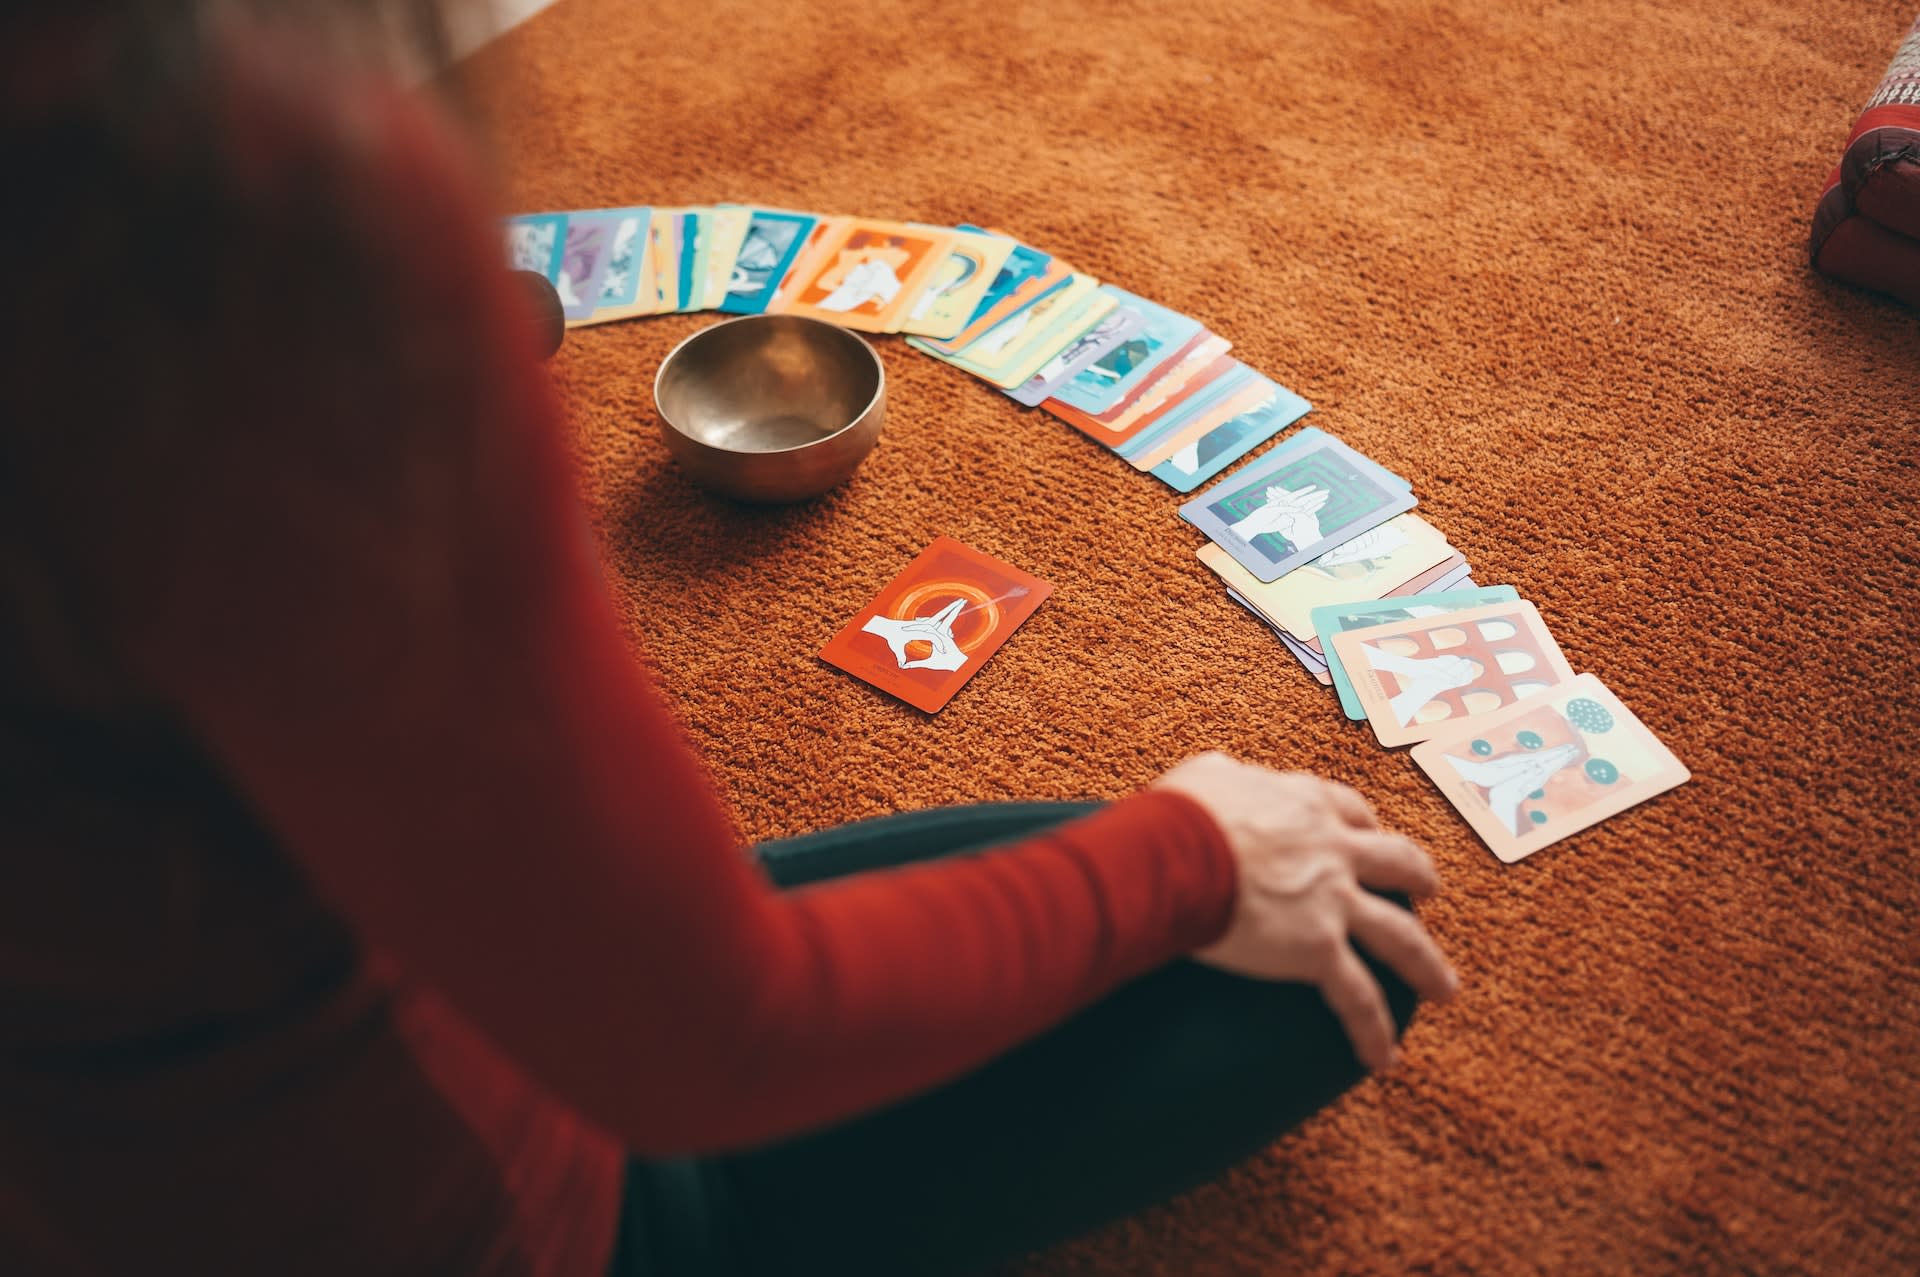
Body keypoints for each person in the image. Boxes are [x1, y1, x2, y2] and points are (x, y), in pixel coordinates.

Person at [0, 3, 1458, 1274]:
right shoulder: (238, 239)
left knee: (1158, 873)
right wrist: (1192, 857)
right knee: (1322, 946)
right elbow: (708, 1042)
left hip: (128, 1157)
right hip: (497, 1200)